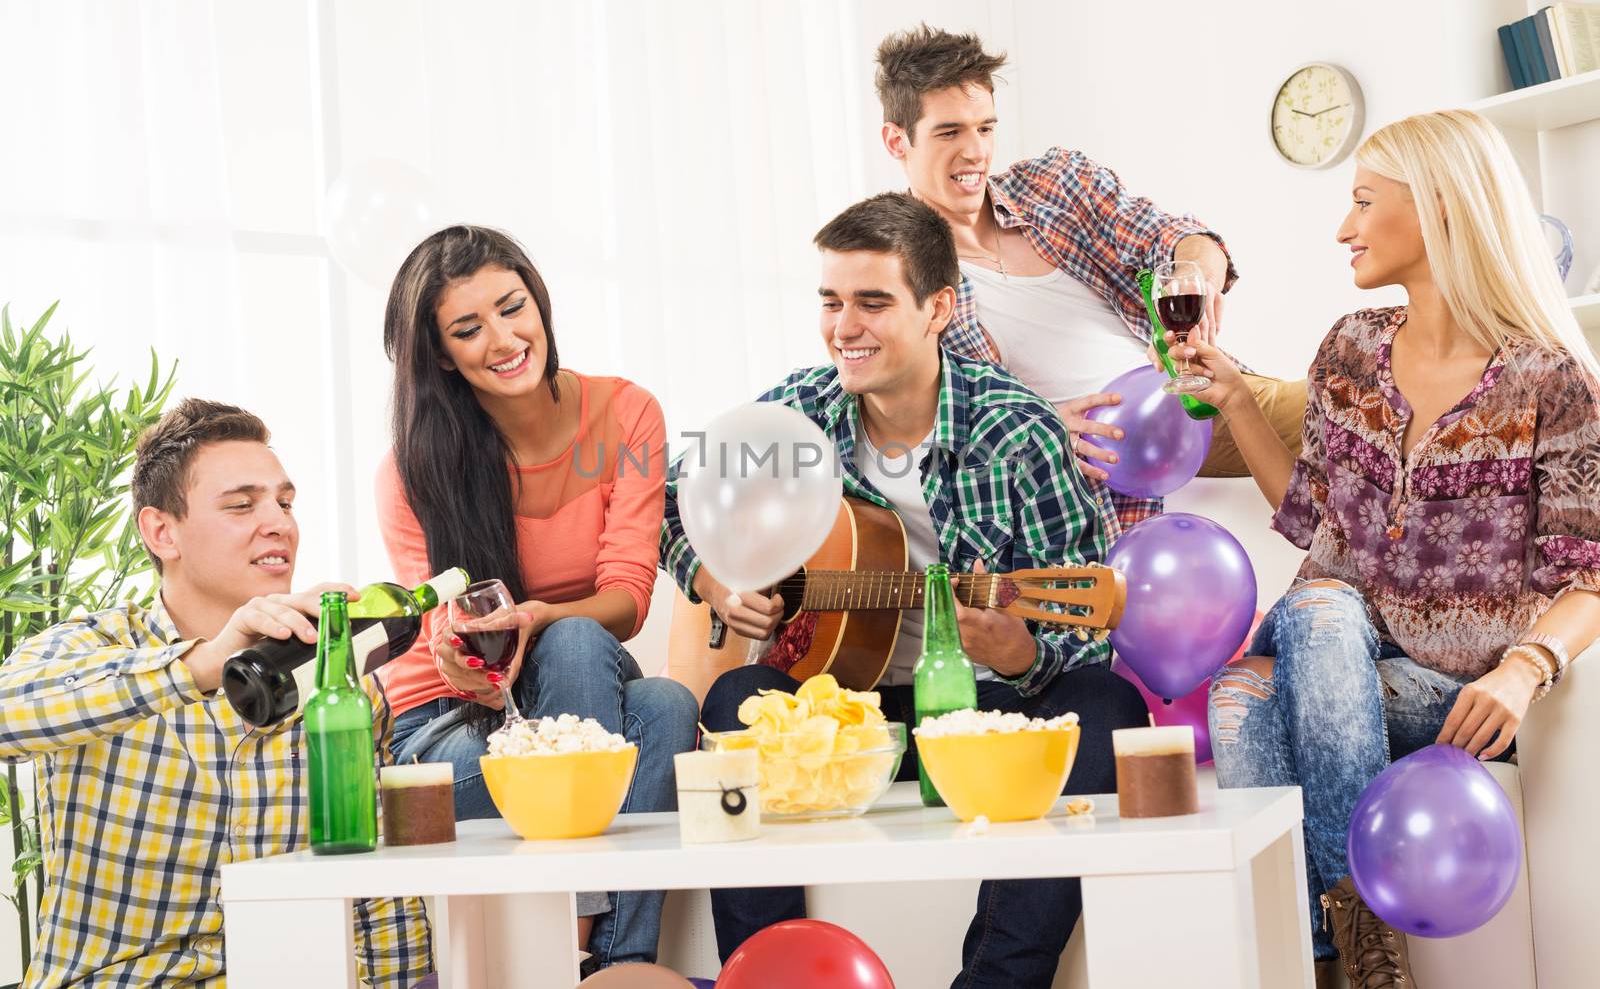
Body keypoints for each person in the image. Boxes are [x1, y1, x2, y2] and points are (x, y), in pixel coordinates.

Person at [660, 192, 1149, 988]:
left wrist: (1023, 653)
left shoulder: (1018, 430)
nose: (843, 327)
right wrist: (713, 580)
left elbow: (1084, 624)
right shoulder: (798, 413)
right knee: (735, 706)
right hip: (848, 722)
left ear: (937, 309)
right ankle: (778, 975)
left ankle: (994, 980)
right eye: (831, 301)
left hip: (987, 715)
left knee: (1107, 706)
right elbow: (673, 502)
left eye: (872, 302)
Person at [1185, 110, 1600, 989]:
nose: (1344, 227)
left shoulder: (1548, 379)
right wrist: (1237, 404)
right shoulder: (1351, 349)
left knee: (1247, 694)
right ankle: (1348, 949)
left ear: (1444, 207)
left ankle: (1323, 946)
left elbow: (1593, 570)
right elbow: (1315, 516)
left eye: (1364, 202)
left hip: (1447, 696)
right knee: (1319, 611)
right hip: (1330, 645)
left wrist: (1523, 669)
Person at [0, 398, 431, 988]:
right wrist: (203, 665)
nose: (278, 521)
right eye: (240, 505)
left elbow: (376, 891)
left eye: (285, 502)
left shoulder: (334, 680)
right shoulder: (93, 646)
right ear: (161, 532)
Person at [376, 224, 699, 972]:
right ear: (442, 356)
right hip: (445, 739)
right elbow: (438, 641)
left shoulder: (626, 414)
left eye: (512, 307)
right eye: (468, 328)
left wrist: (545, 618)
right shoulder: (411, 469)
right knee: (603, 664)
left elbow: (627, 595)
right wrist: (468, 668)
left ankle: (595, 967)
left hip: (565, 711)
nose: (503, 338)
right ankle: (595, 952)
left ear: (539, 301)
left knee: (659, 698)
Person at [872, 23, 1307, 527]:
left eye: (986, 128)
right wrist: (1038, 430)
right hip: (1095, 470)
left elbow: (1173, 236)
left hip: (1192, 397)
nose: (976, 152)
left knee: (1355, 405)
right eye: (949, 132)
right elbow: (911, 427)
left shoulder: (1057, 183)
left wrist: (1197, 277)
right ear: (896, 141)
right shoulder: (895, 272)